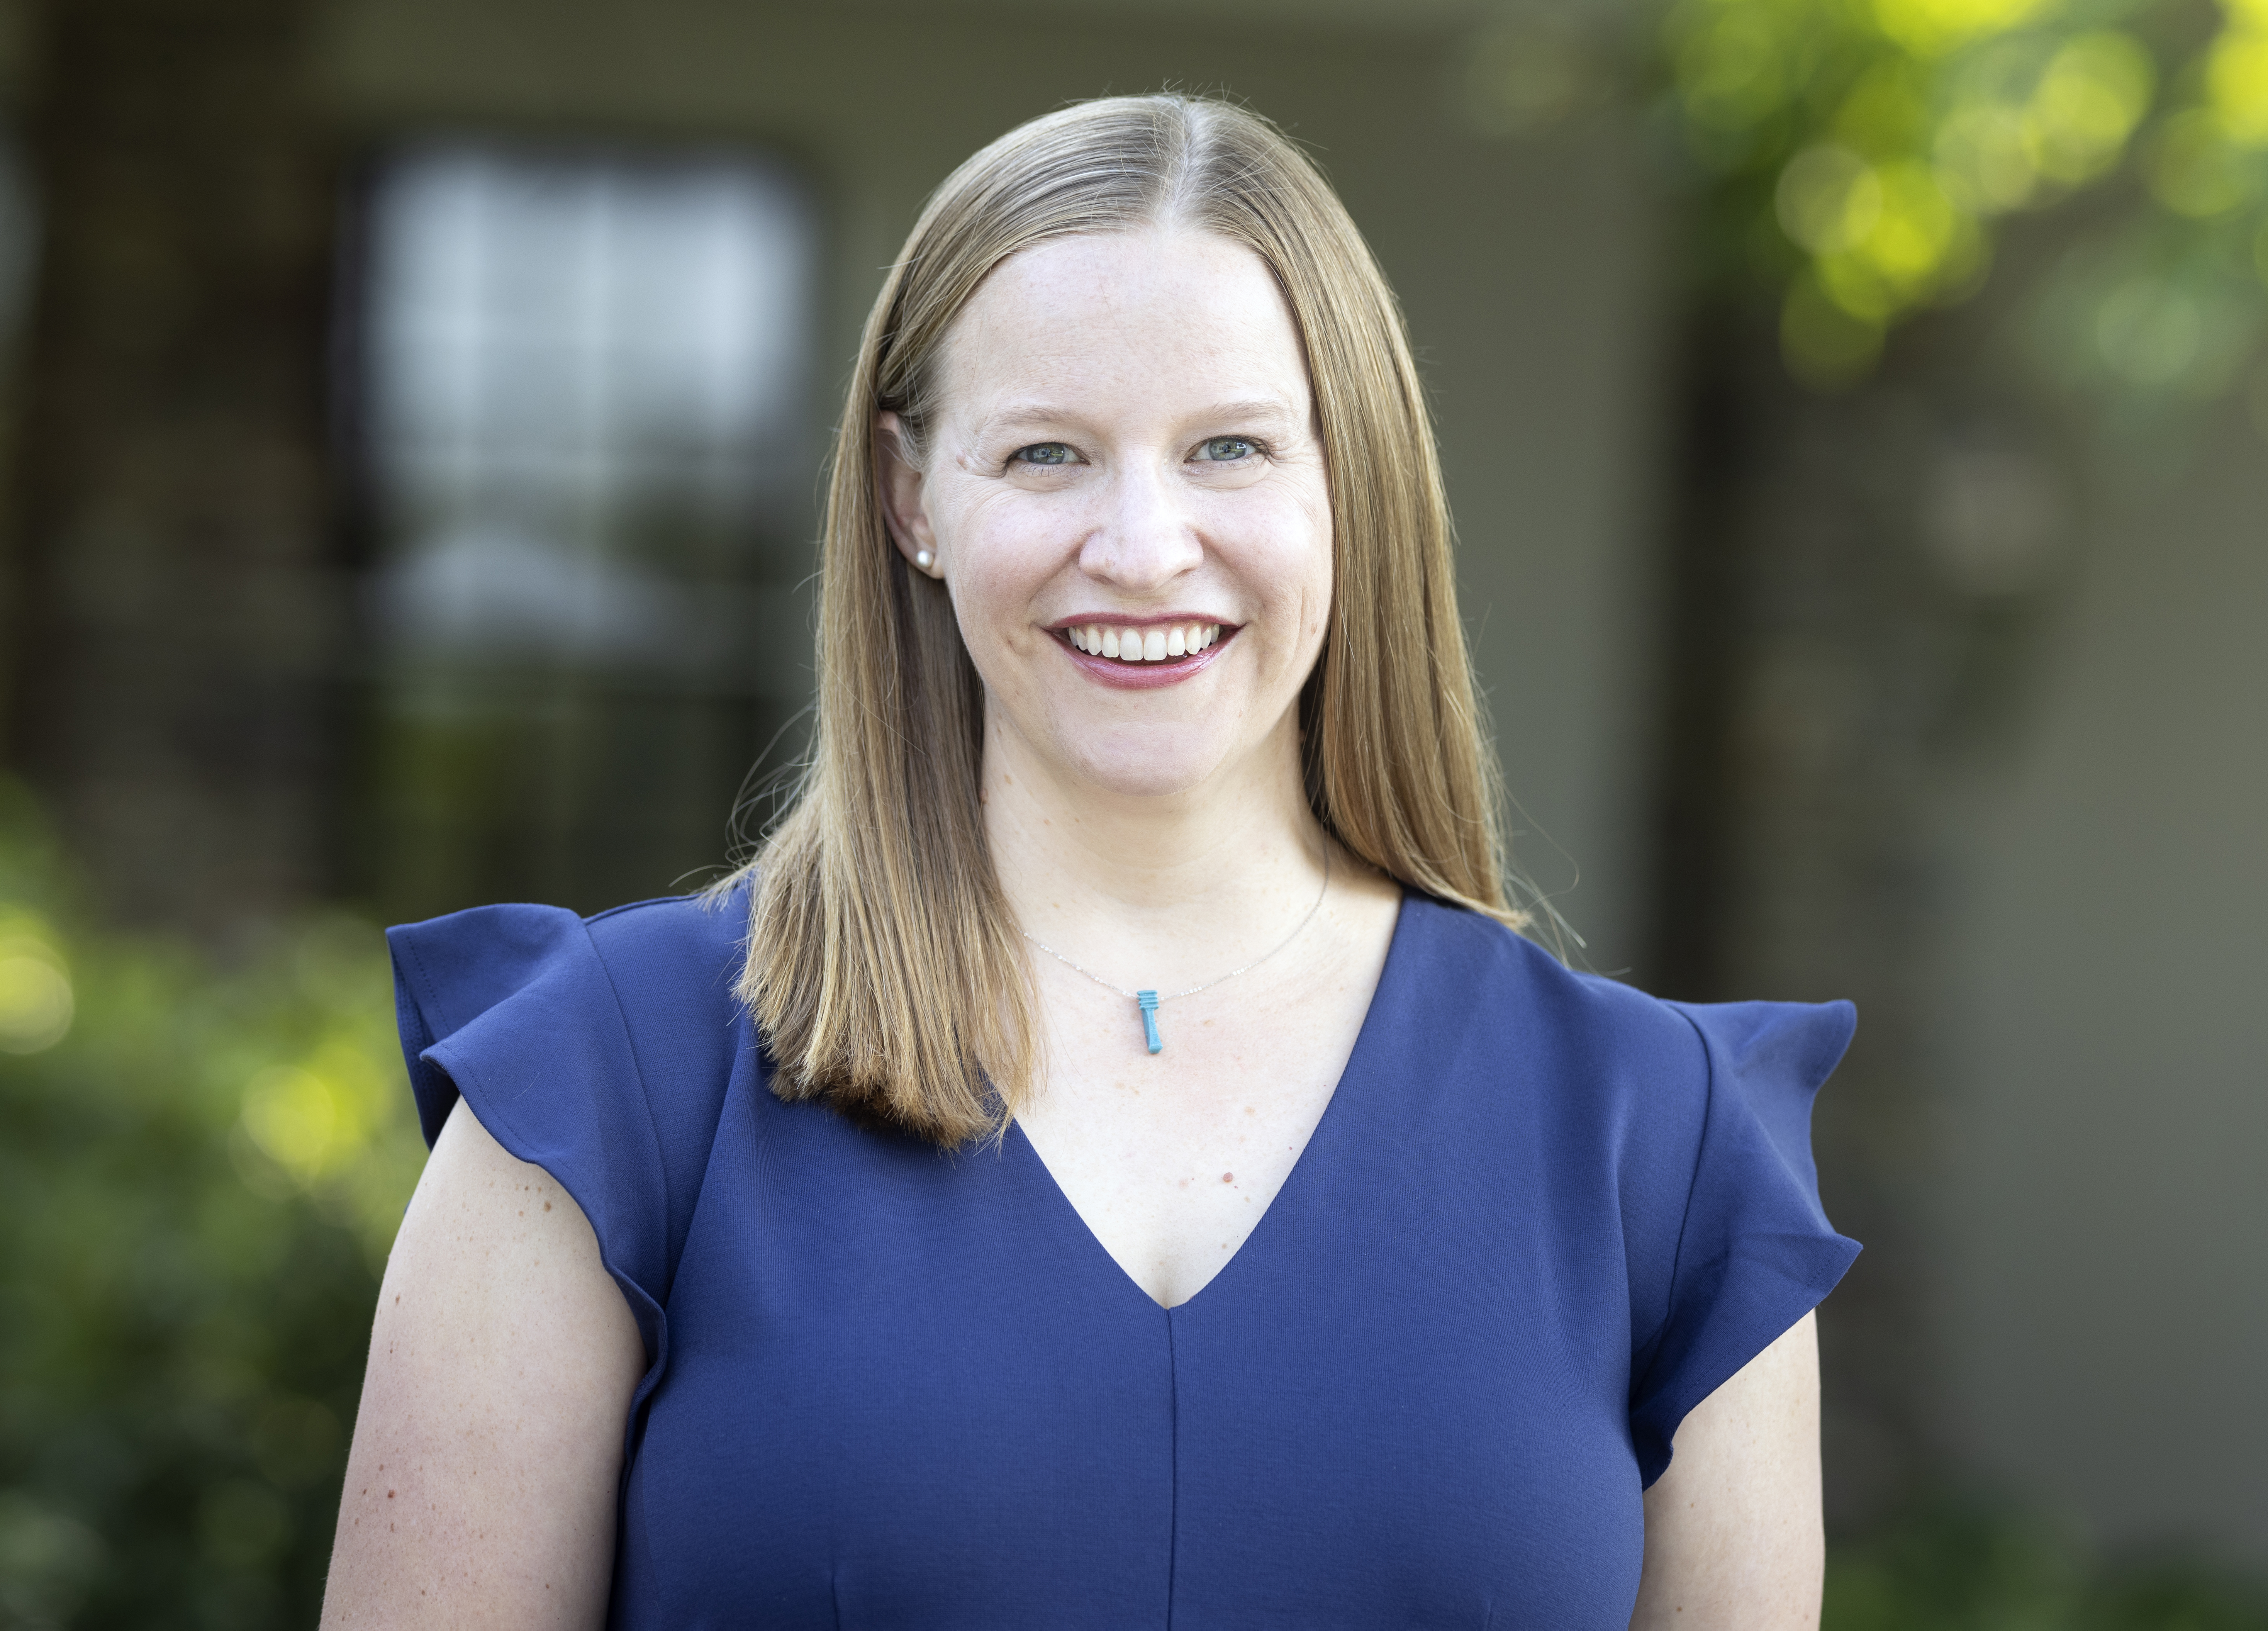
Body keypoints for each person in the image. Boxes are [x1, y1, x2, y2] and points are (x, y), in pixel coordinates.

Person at [321, 95, 1858, 1630]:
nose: (1139, 545)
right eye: (1048, 452)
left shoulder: (1660, 1151)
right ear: (913, 495)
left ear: (1353, 486)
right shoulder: (607, 1087)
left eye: (1231, 449)